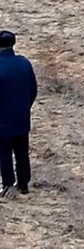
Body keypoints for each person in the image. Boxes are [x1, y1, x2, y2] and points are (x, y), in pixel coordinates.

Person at [0, 30, 37, 198]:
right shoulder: (25, 63)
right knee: (22, 153)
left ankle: (8, 185)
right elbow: (33, 90)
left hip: (2, 121)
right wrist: (24, 107)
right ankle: (23, 184)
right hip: (22, 118)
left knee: (4, 154)